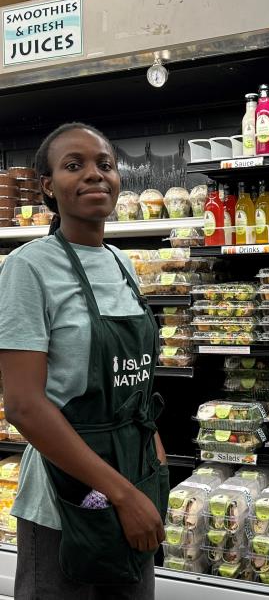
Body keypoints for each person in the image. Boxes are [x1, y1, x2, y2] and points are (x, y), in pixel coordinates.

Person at [0, 122, 169, 599]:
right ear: (48, 187)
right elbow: (24, 407)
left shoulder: (122, 263)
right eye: (74, 166)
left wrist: (150, 449)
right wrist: (122, 495)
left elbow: (135, 377)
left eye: (105, 165)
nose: (95, 175)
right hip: (65, 499)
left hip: (132, 481)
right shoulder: (27, 268)